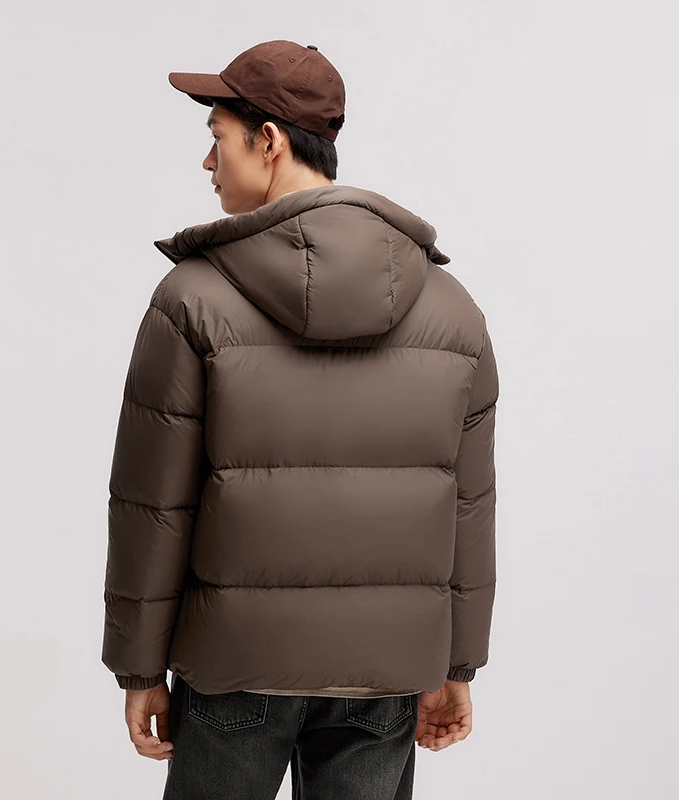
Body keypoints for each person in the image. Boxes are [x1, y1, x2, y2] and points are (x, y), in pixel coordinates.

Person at [100, 39, 500, 800]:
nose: (208, 162)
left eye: (217, 137)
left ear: (269, 140)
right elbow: (469, 507)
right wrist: (457, 664)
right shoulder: (453, 311)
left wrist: (139, 667)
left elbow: (153, 505)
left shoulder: (191, 300)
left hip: (233, 667)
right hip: (385, 673)